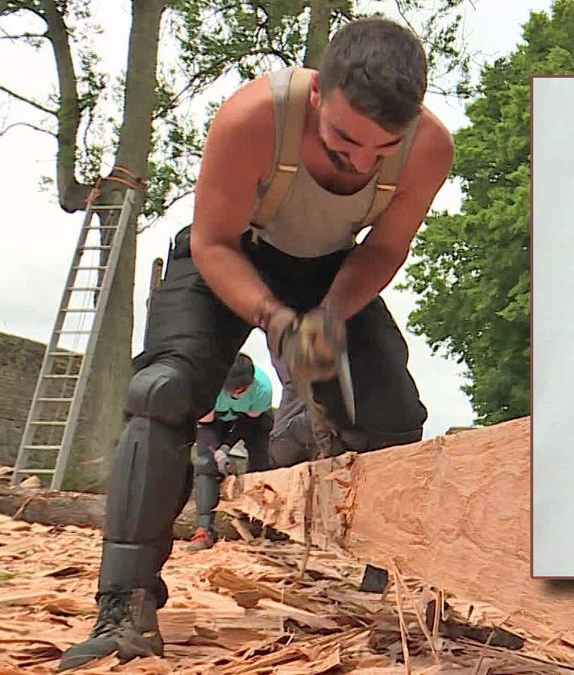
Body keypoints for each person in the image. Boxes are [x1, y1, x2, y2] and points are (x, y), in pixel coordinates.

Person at [58, 15, 454, 671]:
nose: (358, 161)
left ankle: (403, 588)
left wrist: (328, 314)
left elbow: (383, 247)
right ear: (319, 94)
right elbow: (212, 241)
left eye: (381, 148)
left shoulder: (429, 149)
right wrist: (274, 318)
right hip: (229, 253)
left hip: (331, 269)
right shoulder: (252, 118)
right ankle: (124, 607)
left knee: (394, 416)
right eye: (344, 140)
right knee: (162, 391)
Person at [186, 353, 274, 551]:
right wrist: (216, 452)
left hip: (250, 421)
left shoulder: (263, 388)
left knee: (263, 462)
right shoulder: (207, 387)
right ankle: (204, 530)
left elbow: (249, 424)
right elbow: (205, 427)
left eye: (244, 389)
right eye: (233, 390)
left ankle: (261, 525)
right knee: (205, 463)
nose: (238, 394)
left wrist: (226, 447)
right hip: (214, 421)